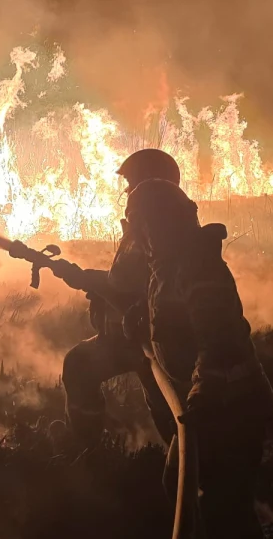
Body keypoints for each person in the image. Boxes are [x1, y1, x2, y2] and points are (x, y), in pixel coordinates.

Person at [121, 177, 273, 539]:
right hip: (211, 408)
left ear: (160, 225)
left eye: (142, 226)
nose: (138, 237)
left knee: (224, 503)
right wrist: (143, 317)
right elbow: (171, 314)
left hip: (231, 406)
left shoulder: (196, 267)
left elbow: (220, 341)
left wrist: (202, 394)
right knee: (181, 485)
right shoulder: (169, 267)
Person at [54, 149, 183, 447]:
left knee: (170, 408)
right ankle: (87, 446)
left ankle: (187, 471)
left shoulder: (160, 233)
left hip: (153, 339)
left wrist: (87, 279)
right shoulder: (146, 228)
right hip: (131, 335)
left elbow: (134, 290)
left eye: (132, 183)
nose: (127, 192)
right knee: (80, 364)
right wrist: (80, 275)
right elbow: (122, 282)